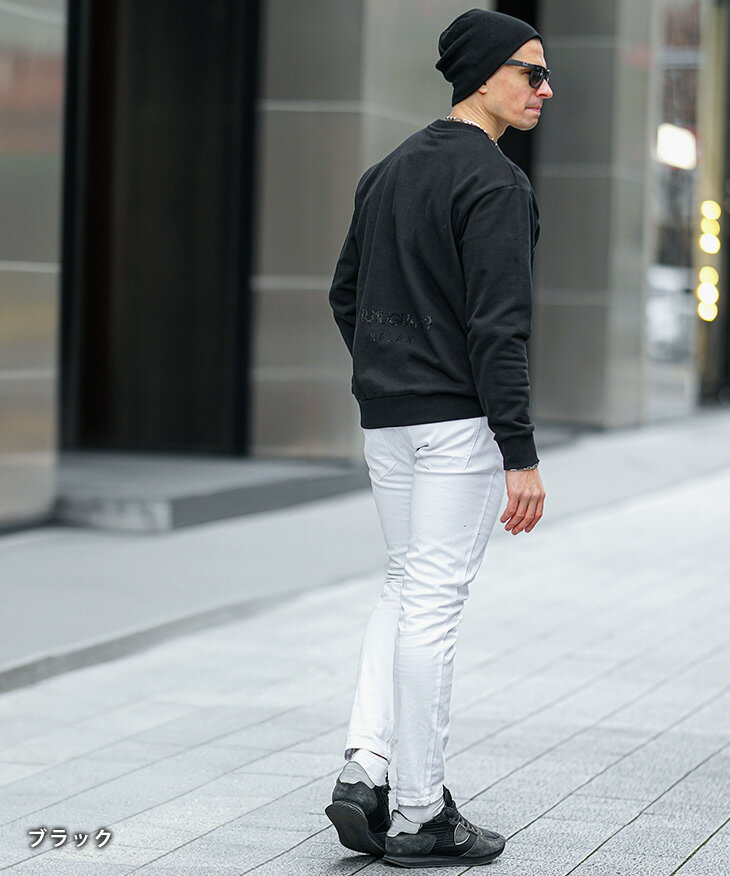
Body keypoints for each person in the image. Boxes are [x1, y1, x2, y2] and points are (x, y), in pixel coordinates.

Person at [325, 8, 552, 869]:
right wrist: (519, 452)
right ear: (484, 75)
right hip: (457, 425)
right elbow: (500, 331)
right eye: (531, 72)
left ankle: (365, 768)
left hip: (389, 420)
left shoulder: (387, 171)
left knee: (403, 586)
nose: (545, 89)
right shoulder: (496, 183)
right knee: (432, 604)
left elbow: (346, 296)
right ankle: (422, 814)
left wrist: (390, 369)